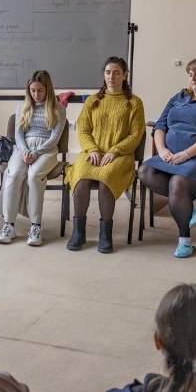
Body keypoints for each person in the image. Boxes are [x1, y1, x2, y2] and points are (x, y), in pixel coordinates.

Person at [138, 57, 196, 258]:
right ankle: (195, 201)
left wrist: (186, 154)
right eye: (190, 74)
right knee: (145, 171)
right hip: (172, 156)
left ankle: (184, 240)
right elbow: (160, 125)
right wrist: (162, 150)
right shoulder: (179, 97)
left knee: (178, 183)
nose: (193, 78)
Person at [65, 57, 145, 254]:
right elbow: (83, 130)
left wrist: (114, 151)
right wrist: (93, 149)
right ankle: (79, 231)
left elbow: (136, 135)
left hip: (120, 155)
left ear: (125, 76)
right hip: (92, 152)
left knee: (106, 178)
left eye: (117, 73)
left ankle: (105, 233)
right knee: (80, 177)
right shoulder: (93, 101)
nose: (111, 77)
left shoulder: (134, 103)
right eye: (108, 72)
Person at [0, 70, 67, 246]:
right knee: (13, 174)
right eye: (33, 90)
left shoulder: (59, 109)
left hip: (46, 150)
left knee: (34, 176)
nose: (36, 94)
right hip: (23, 148)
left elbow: (54, 139)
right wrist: (25, 151)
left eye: (40, 90)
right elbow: (18, 134)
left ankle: (35, 227)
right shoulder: (22, 107)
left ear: (48, 89)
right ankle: (9, 225)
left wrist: (36, 153)